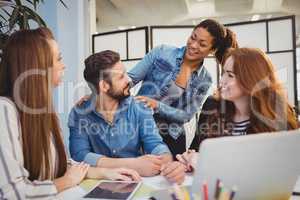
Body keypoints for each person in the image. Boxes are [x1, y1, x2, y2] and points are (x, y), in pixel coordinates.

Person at [0, 28, 141, 199]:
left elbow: (65, 165)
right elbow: (12, 193)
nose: (63, 65)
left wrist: (104, 173)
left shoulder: (46, 114)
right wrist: (65, 182)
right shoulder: (5, 111)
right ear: (37, 66)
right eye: (58, 58)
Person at [68, 50, 186, 183]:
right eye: (121, 76)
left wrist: (167, 162)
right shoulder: (79, 113)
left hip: (135, 182)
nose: (129, 79)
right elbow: (79, 155)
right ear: (104, 86)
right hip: (97, 182)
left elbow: (155, 144)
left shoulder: (140, 107)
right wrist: (132, 164)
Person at [128, 19, 238, 156]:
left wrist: (157, 105)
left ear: (212, 50)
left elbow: (186, 115)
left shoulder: (205, 79)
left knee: (171, 175)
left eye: (202, 44)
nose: (193, 45)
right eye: (193, 37)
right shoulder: (162, 52)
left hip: (172, 136)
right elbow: (130, 79)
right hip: (140, 127)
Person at [177, 47, 299, 171]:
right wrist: (187, 159)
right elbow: (197, 150)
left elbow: (280, 169)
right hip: (215, 188)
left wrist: (207, 163)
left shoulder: (278, 117)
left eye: (230, 75)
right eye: (223, 73)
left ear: (251, 79)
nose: (222, 81)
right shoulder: (212, 106)